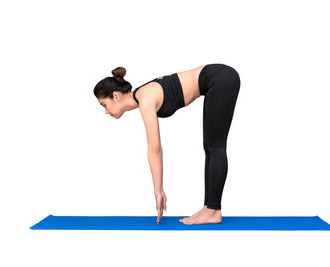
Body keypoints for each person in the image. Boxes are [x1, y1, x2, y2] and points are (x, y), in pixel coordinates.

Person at [93, 63, 241, 225]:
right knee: (211, 146)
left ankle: (213, 211)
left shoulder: (145, 98)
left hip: (220, 78)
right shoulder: (143, 96)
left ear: (115, 96)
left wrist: (158, 190)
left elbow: (155, 149)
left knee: (214, 146)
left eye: (104, 105)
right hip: (218, 78)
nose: (106, 112)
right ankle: (210, 209)